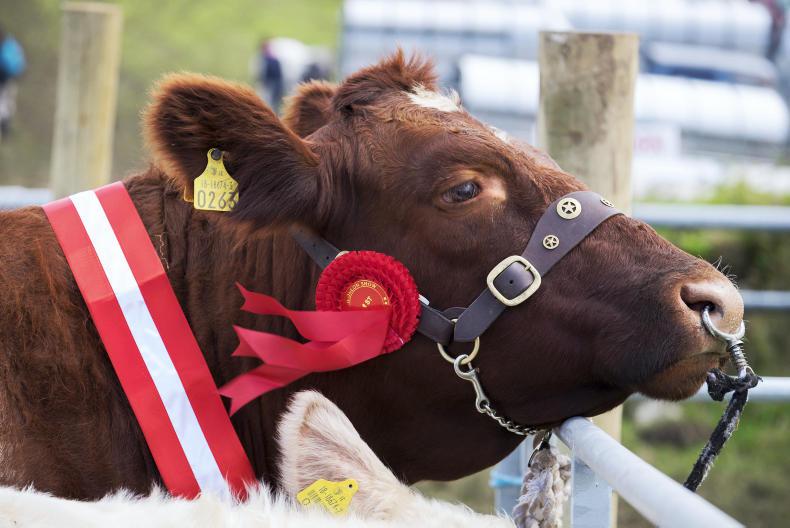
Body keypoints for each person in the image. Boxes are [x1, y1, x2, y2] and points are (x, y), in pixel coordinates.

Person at [0, 26, 25, 139]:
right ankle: (6, 128)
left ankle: (5, 128)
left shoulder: (6, 44)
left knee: (4, 101)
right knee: (7, 102)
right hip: (11, 77)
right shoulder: (11, 43)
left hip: (4, 76)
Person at [255, 39, 284, 113]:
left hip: (273, 86)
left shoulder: (273, 59)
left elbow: (278, 75)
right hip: (268, 85)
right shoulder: (263, 59)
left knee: (273, 105)